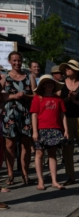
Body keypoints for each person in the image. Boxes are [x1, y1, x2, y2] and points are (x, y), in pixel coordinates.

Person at [1, 51, 37, 185]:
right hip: (9, 113)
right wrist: (13, 97)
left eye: (19, 60)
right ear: (10, 61)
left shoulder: (29, 77)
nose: (17, 63)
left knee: (25, 145)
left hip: (26, 113)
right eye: (14, 60)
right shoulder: (4, 77)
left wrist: (25, 96)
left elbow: (35, 95)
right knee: (9, 145)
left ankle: (25, 174)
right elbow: (1, 96)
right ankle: (10, 174)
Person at [30, 75, 68, 190]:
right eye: (47, 83)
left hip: (55, 129)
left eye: (51, 83)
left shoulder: (58, 99)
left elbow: (63, 115)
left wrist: (65, 129)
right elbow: (34, 115)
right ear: (42, 85)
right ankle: (41, 180)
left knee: (52, 154)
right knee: (39, 154)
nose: (49, 85)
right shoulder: (38, 98)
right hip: (41, 129)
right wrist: (35, 131)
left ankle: (54, 180)